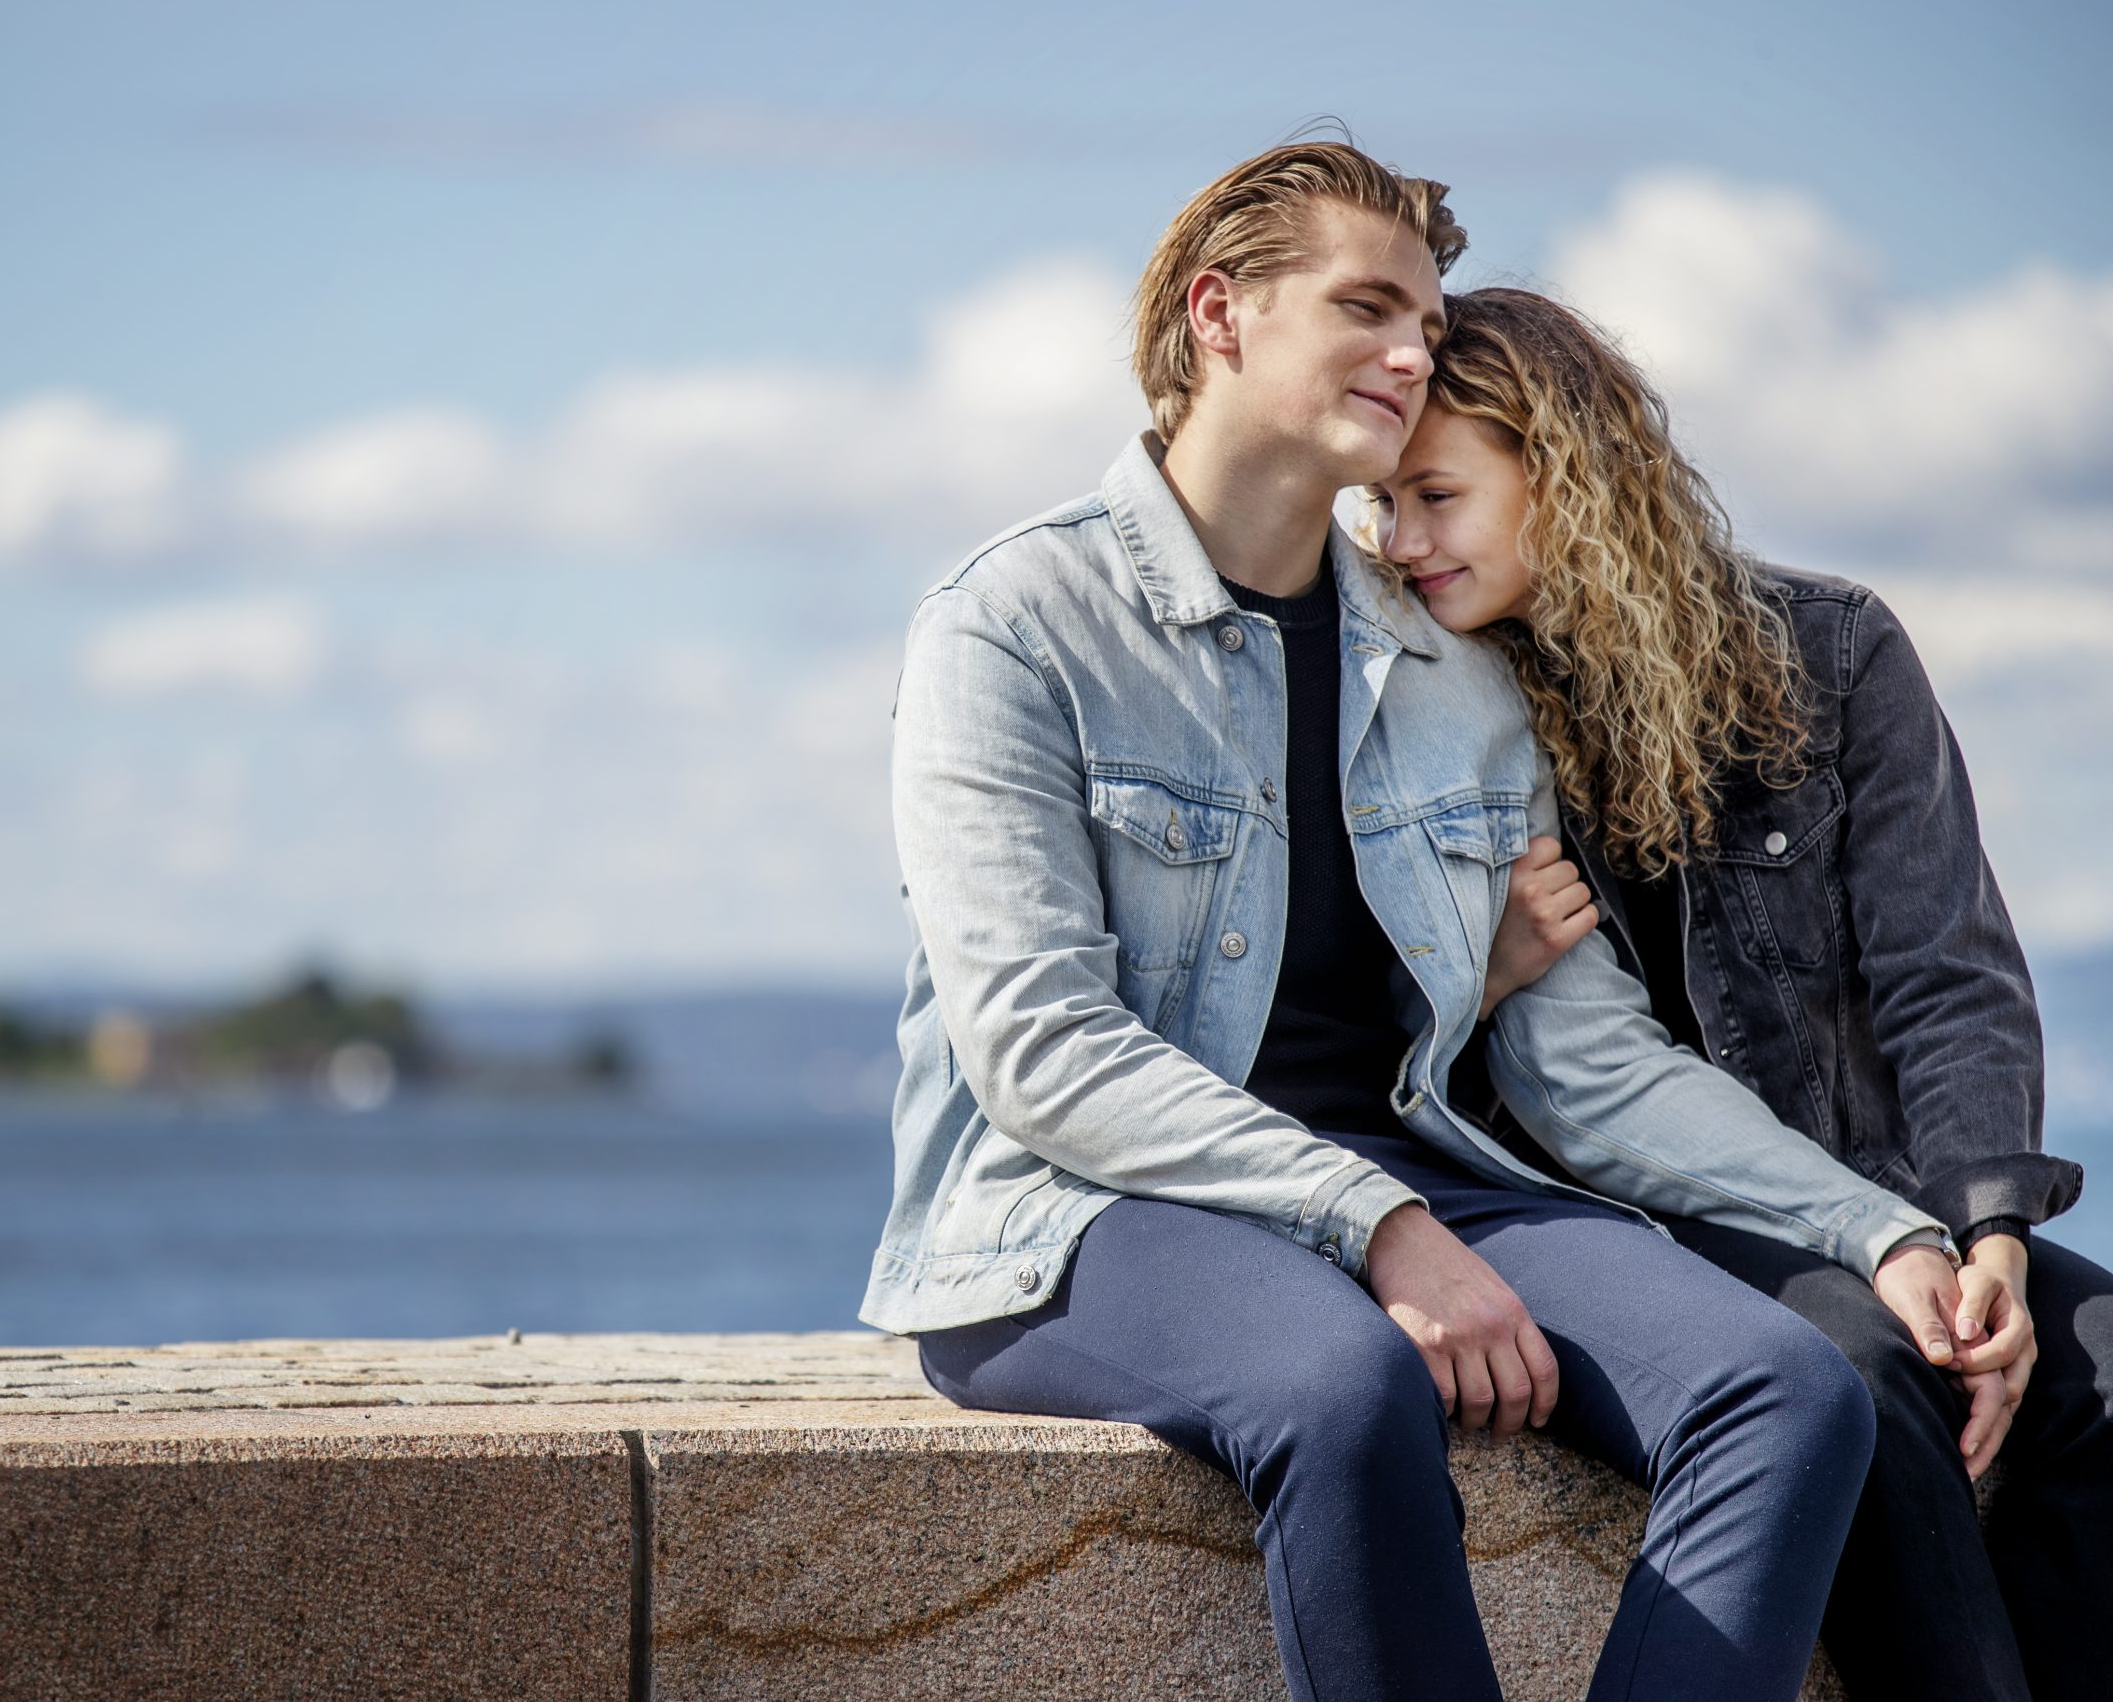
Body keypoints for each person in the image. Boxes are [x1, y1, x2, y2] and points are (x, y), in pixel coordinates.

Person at [863, 141, 1978, 1702]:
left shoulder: (1451, 673)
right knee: (1342, 1381)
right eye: (1368, 306)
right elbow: (1041, 1053)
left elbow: (1594, 1067)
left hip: (1407, 1176)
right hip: (1078, 1214)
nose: (1413, 354)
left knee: (1787, 1387)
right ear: (1221, 313)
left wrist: (1879, 1228)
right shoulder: (1015, 625)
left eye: (1430, 323)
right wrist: (1378, 1231)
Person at [1370, 284, 2108, 1702]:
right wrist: (1487, 976)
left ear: (1565, 475)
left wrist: (1992, 1236)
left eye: (1437, 497)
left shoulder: (1834, 656)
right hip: (1623, 1227)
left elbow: (1947, 977)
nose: (1403, 545)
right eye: (1386, 507)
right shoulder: (1440, 711)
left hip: (1859, 1193)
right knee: (1863, 1368)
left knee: (2104, 1361)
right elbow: (1438, 1063)